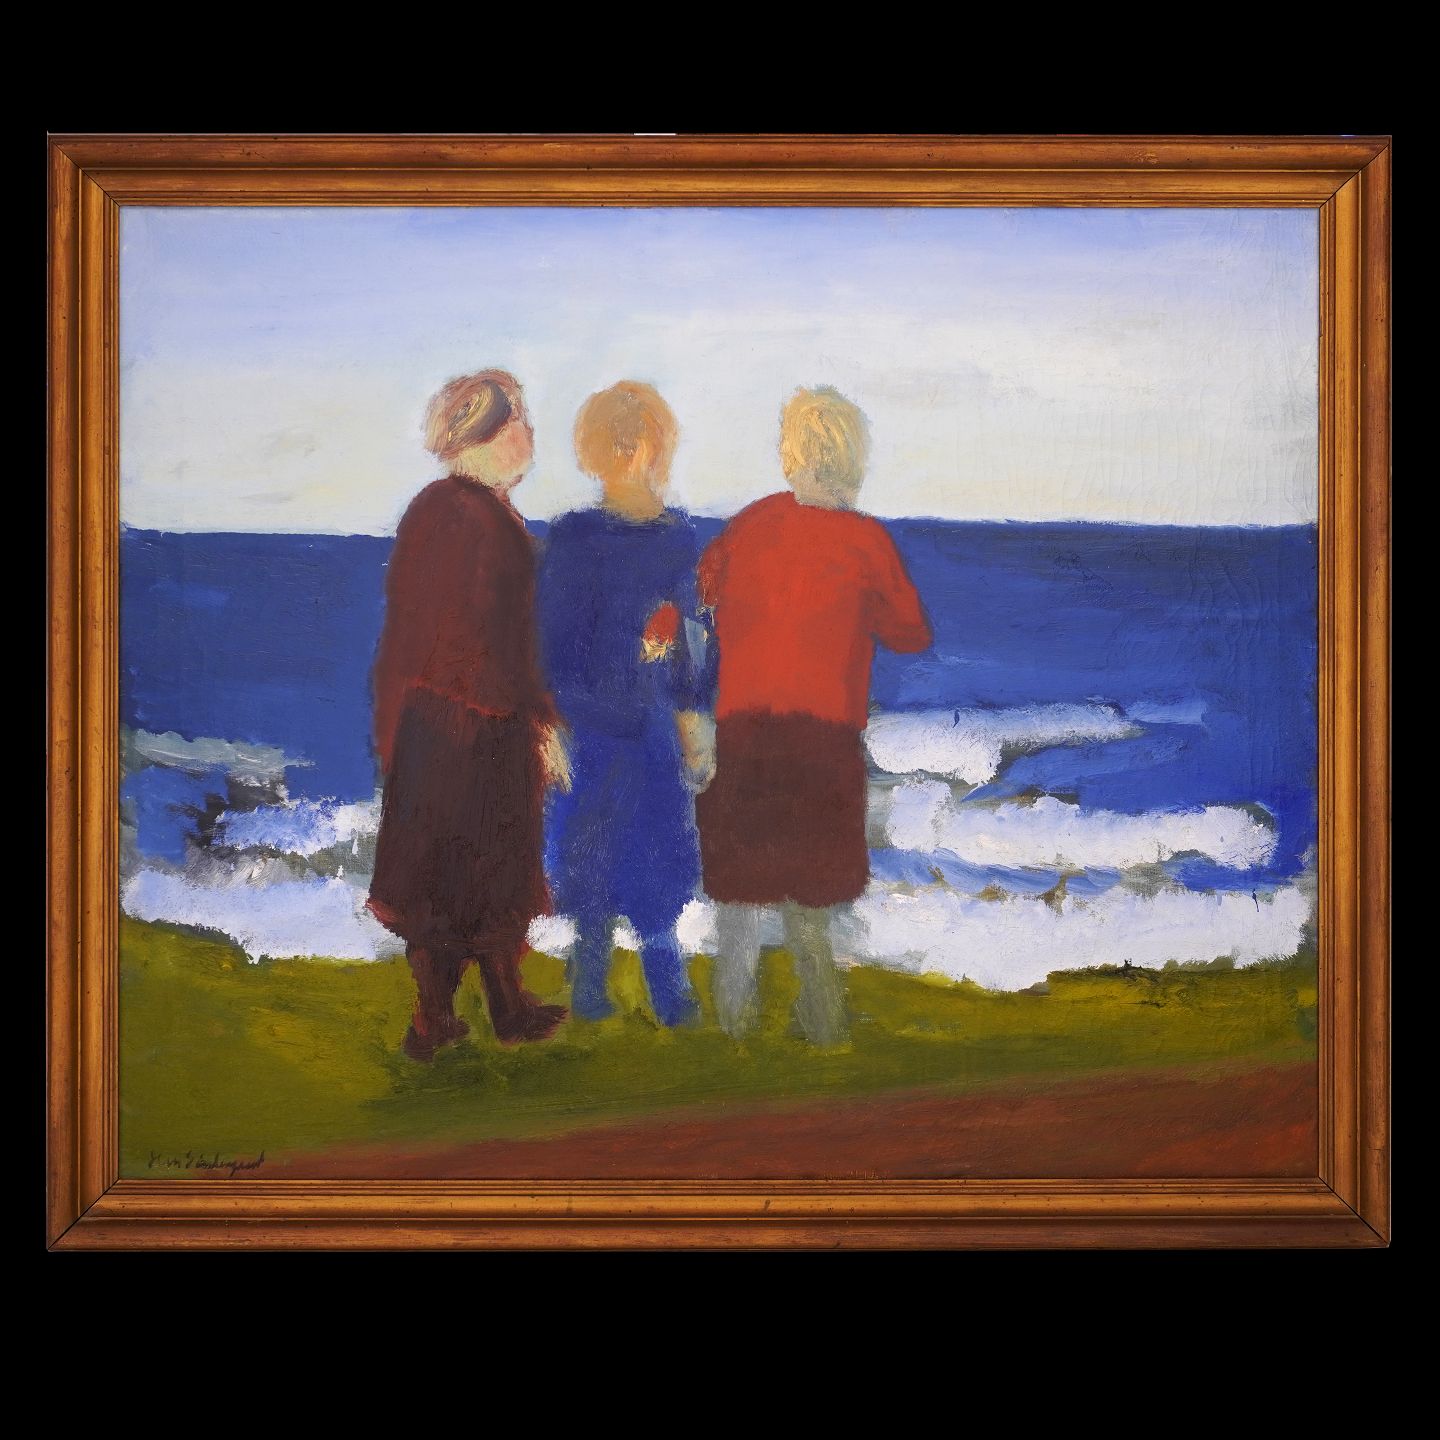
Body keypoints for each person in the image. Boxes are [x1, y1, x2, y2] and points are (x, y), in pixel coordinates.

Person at [695, 386, 931, 1046]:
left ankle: (732, 1029)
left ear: (790, 456)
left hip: (745, 732)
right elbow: (911, 632)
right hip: (823, 741)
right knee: (812, 903)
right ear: (855, 461)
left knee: (739, 899)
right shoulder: (866, 541)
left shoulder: (751, 524)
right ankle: (823, 1029)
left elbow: (703, 591)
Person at [368, 370, 569, 1061]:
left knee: (459, 879)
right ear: (486, 435)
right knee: (477, 876)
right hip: (480, 729)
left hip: (434, 725)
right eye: (519, 423)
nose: (529, 435)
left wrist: (393, 726)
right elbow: (495, 644)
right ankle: (450, 1019)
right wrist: (539, 723)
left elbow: (408, 636)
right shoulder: (478, 520)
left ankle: (476, 1013)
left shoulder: (438, 511)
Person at [539, 381, 715, 1026]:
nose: (629, 454)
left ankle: (668, 989)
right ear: (594, 453)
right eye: (615, 442)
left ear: (658, 447)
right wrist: (548, 727)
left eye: (639, 440)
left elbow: (693, 642)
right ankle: (588, 989)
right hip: (588, 726)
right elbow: (550, 644)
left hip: (651, 730)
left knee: (658, 864)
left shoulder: (678, 539)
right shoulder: (574, 538)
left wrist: (695, 721)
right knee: (588, 865)